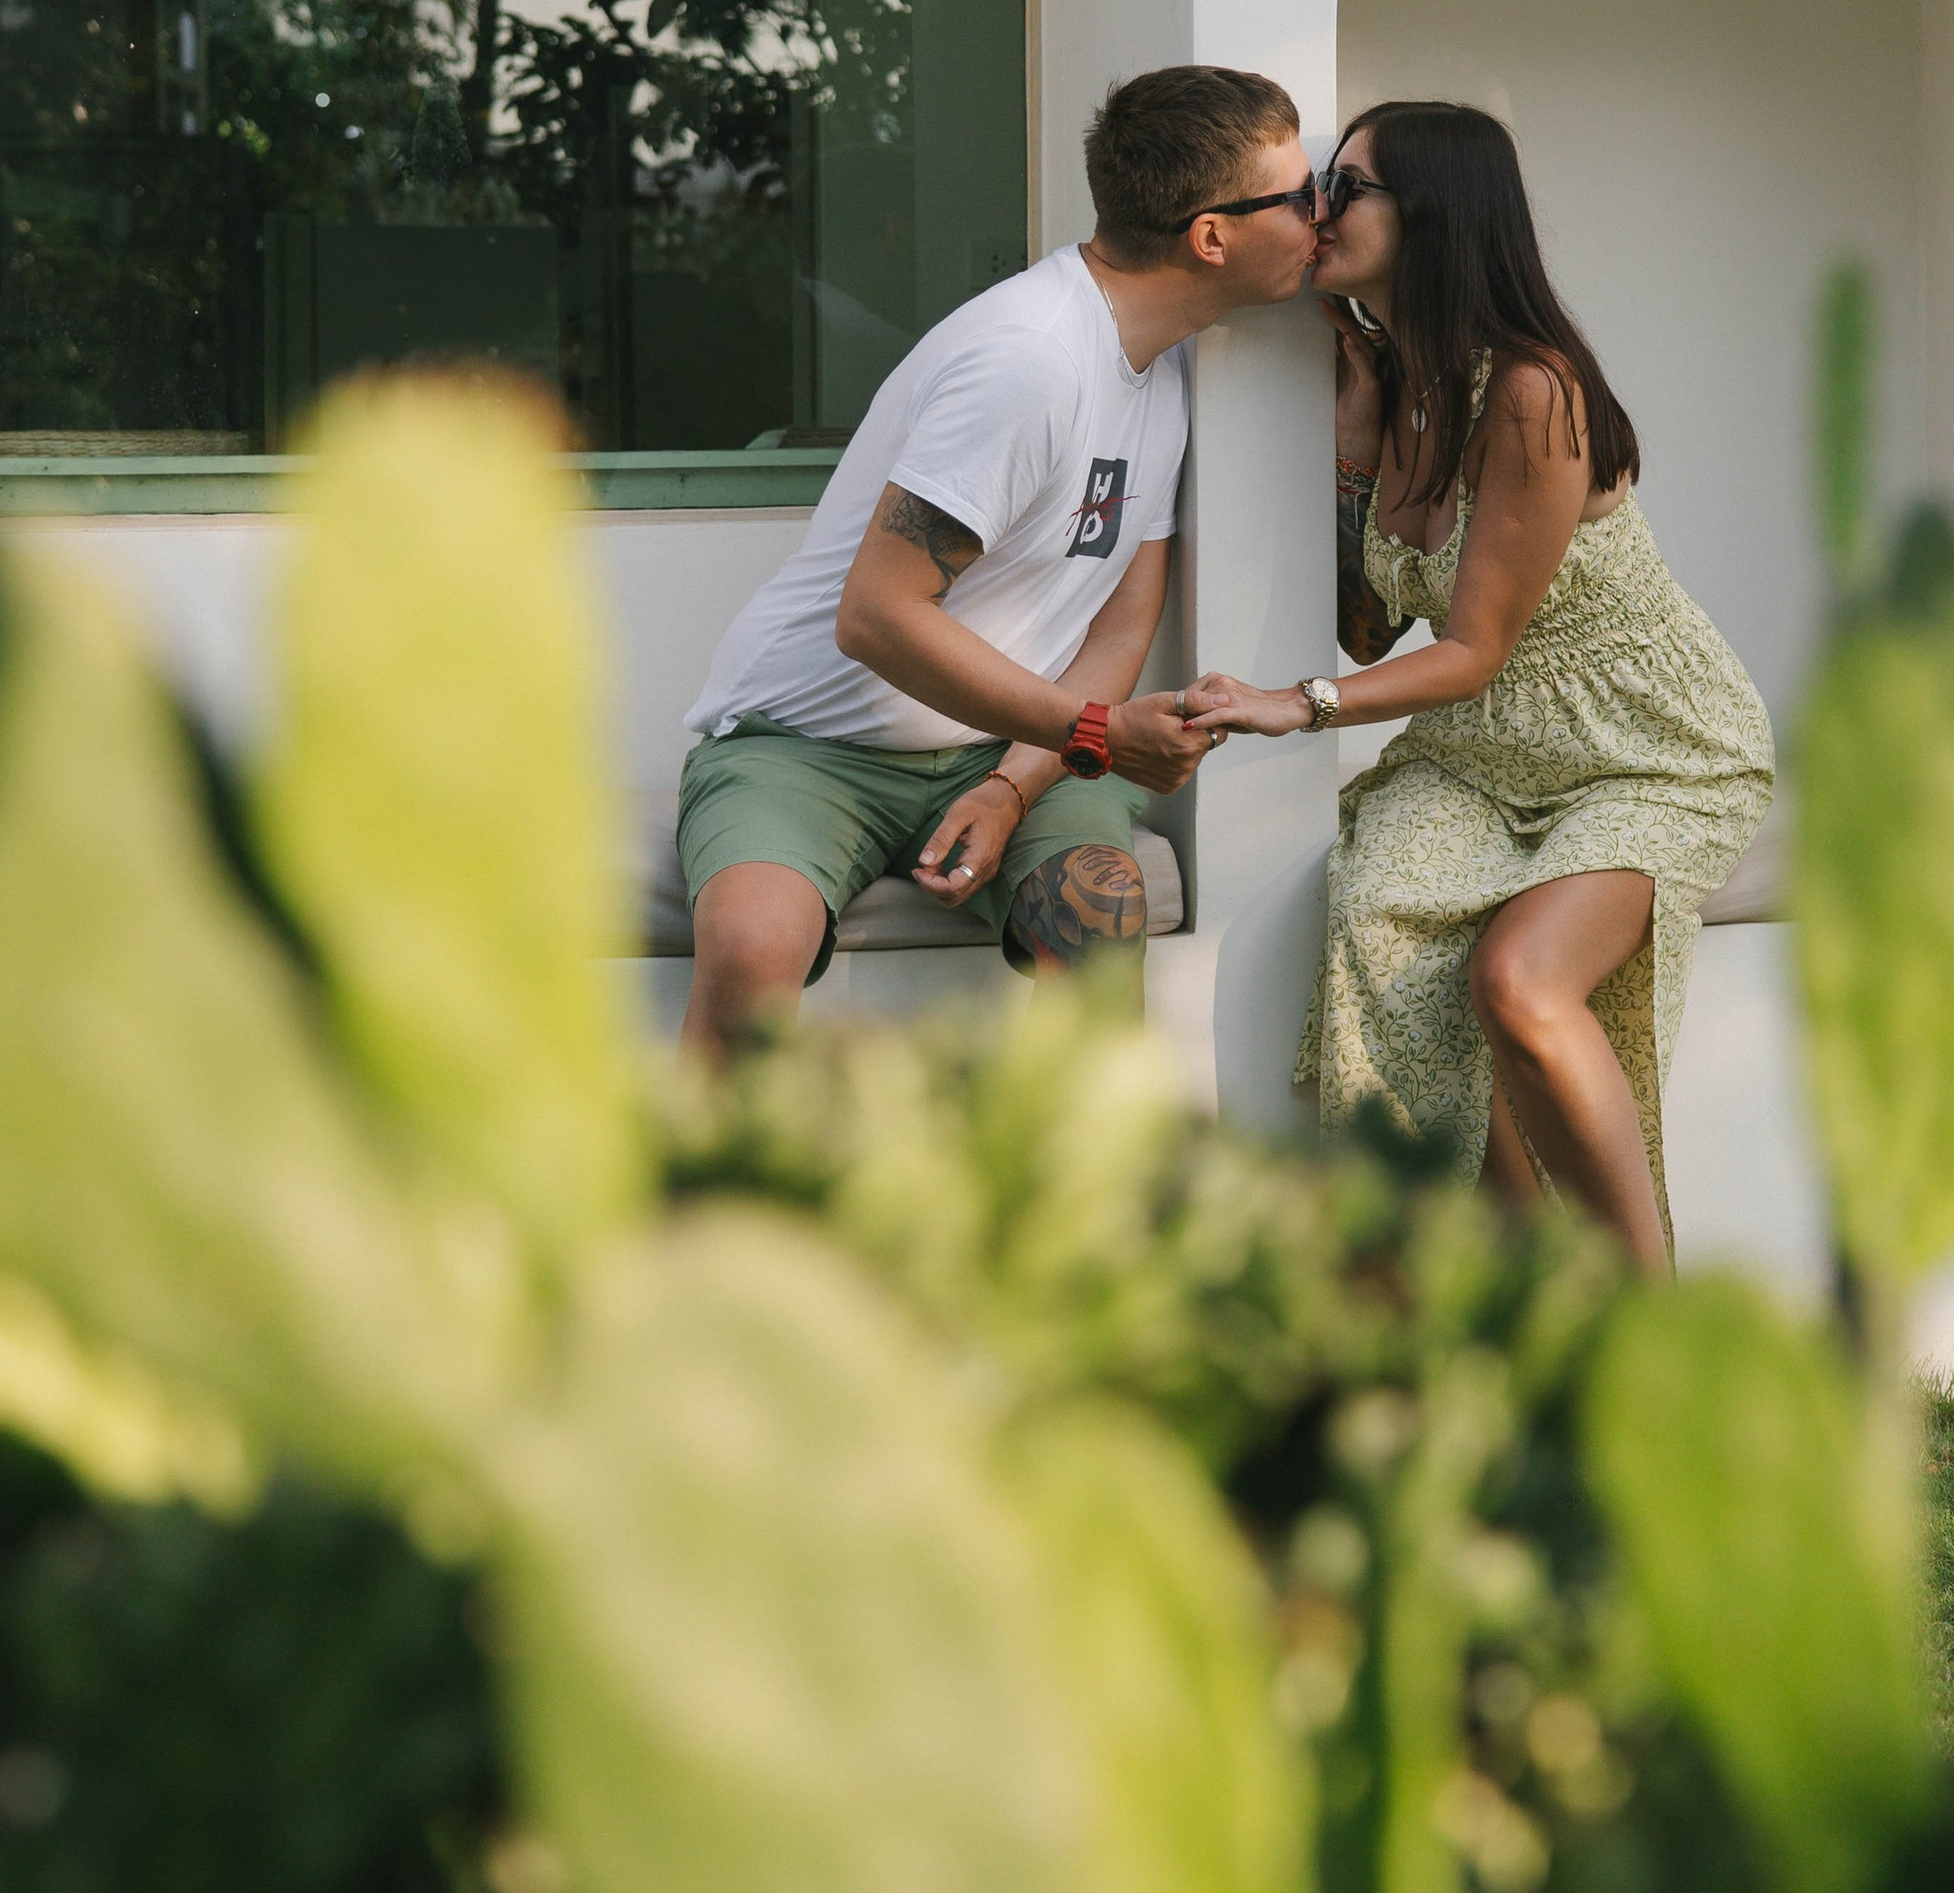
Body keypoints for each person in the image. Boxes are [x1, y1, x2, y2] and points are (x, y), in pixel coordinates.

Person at [1182, 100, 1772, 1268]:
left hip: (1643, 750)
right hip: (1477, 756)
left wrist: (1280, 705)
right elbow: (1369, 631)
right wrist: (1355, 439)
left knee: (1516, 980)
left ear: (1436, 216)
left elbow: (1471, 648)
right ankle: (1530, 1306)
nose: (1318, 209)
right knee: (1380, 939)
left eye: (1346, 188)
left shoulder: (1534, 389)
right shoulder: (1397, 380)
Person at [678, 63, 1319, 1054]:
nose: (1320, 217)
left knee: (1099, 919)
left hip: (1006, 749)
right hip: (809, 743)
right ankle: (706, 1209)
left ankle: (1079, 1205)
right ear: (1211, 237)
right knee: (750, 949)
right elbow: (877, 616)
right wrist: (1099, 728)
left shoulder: (1171, 362)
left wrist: (1014, 784)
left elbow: (1115, 618)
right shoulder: (1030, 359)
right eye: (1302, 197)